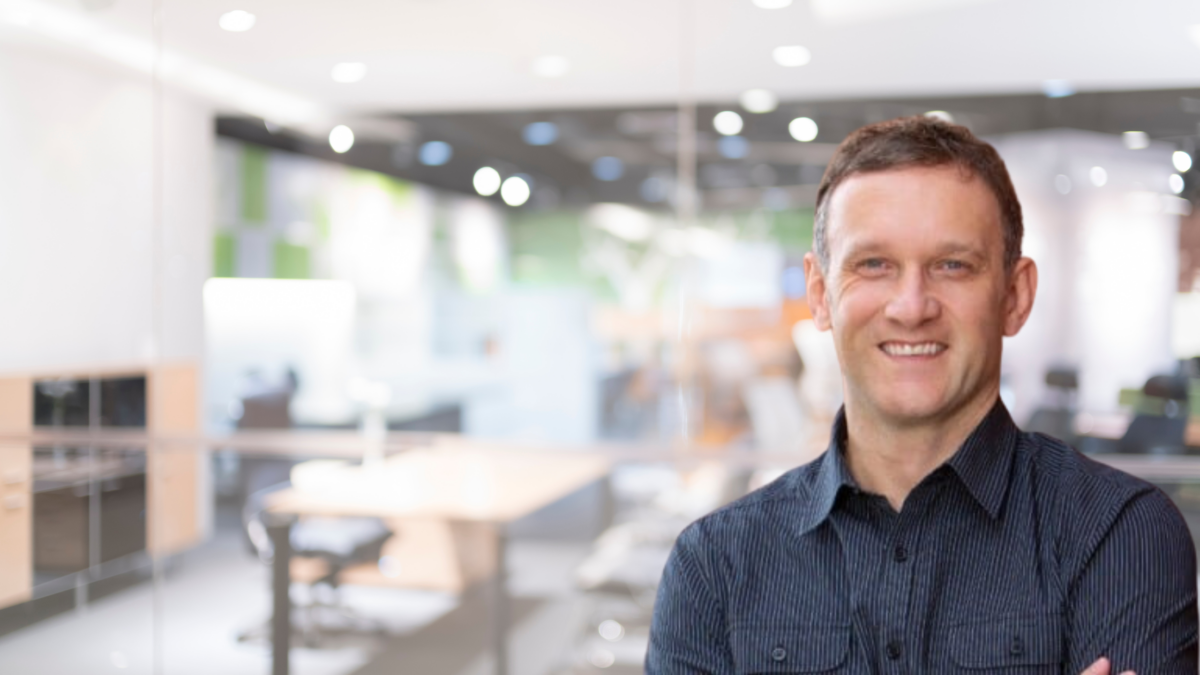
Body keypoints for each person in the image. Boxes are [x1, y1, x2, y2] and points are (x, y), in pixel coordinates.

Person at [646, 116, 1198, 674]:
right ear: (820, 294)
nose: (911, 307)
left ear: (1014, 295)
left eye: (952, 266)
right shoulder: (715, 565)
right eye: (874, 265)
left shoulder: (1118, 534)